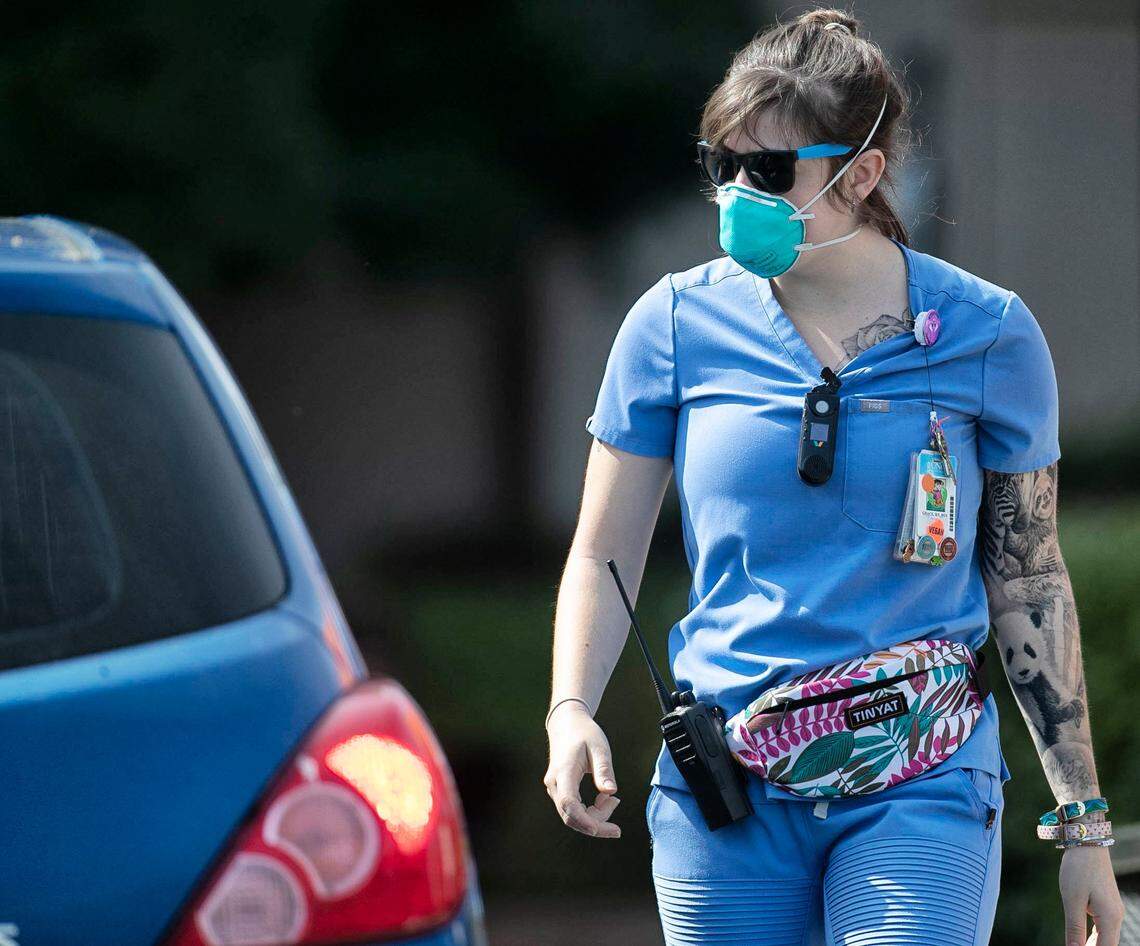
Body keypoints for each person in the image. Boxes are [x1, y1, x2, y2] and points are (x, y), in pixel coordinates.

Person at [542, 8, 1125, 946]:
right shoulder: (673, 325)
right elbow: (604, 548)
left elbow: (1029, 580)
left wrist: (1082, 827)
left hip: (922, 777)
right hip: (725, 784)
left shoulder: (989, 334)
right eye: (720, 164)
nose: (737, 191)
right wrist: (570, 708)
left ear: (861, 174)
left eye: (769, 171)